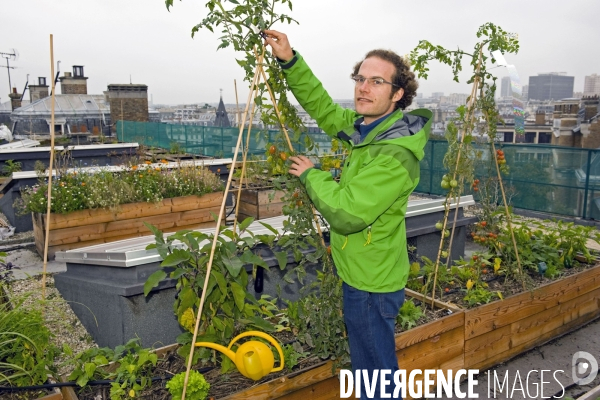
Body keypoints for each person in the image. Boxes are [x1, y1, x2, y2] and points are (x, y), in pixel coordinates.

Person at [265, 30, 432, 399]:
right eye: (360, 79)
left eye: (377, 82)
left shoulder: (394, 152)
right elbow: (322, 107)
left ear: (398, 93)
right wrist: (289, 60)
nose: (364, 88)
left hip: (371, 281)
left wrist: (312, 175)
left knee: (376, 370)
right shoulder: (367, 130)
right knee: (370, 364)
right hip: (362, 269)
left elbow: (347, 213)